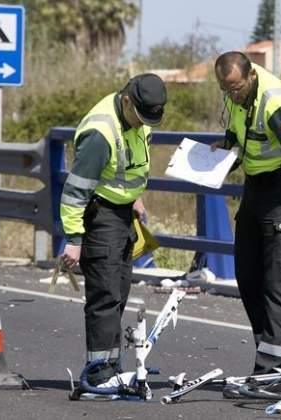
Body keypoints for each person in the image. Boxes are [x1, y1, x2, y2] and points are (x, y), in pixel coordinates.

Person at [213, 51, 281, 375]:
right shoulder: (234, 95)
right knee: (247, 275)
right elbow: (237, 136)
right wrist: (221, 152)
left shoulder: (275, 104)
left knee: (278, 280)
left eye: (236, 88)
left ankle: (270, 365)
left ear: (251, 77)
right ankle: (276, 355)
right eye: (225, 89)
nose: (232, 94)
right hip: (254, 188)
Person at [58, 73, 167, 385]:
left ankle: (111, 365)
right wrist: (74, 240)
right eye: (140, 116)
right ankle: (98, 372)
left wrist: (136, 198)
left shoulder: (140, 119)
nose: (142, 123)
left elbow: (131, 164)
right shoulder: (100, 132)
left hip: (123, 214)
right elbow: (75, 192)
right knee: (104, 294)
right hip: (100, 214)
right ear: (127, 100)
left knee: (119, 290)